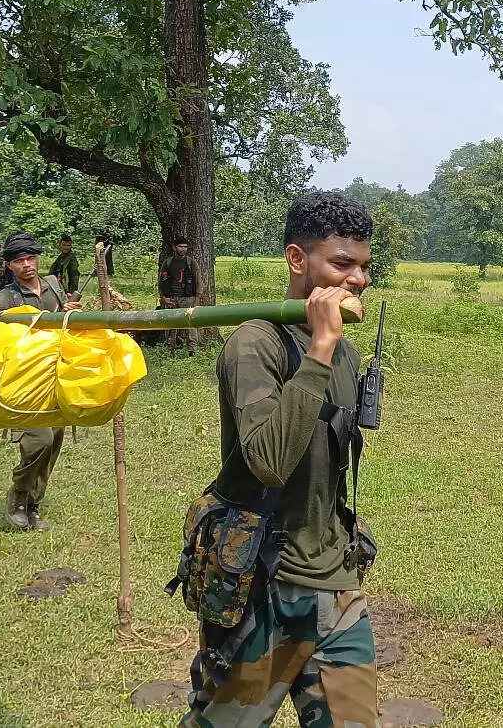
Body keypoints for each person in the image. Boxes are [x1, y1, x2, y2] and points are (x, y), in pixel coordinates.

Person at [179, 192, 378, 728]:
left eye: (363, 266)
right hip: (264, 586)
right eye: (341, 264)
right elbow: (268, 461)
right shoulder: (254, 345)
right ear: (297, 260)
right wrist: (317, 351)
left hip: (336, 586)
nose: (356, 280)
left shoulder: (346, 352)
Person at [0, 232, 83, 531]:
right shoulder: (4, 299)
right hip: (25, 379)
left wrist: (70, 312)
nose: (27, 265)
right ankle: (18, 495)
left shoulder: (53, 285)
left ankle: (34, 504)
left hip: (57, 374)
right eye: (19, 261)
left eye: (31, 258)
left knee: (54, 440)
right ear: (9, 266)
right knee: (38, 440)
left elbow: (69, 322)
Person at [158, 236, 200, 354]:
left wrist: (197, 299)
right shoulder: (168, 263)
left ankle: (192, 350)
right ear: (174, 248)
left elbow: (198, 281)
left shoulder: (191, 263)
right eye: (180, 246)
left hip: (188, 298)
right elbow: (161, 281)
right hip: (172, 298)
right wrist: (163, 297)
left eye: (185, 247)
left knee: (191, 324)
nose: (183, 249)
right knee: (171, 324)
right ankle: (169, 348)